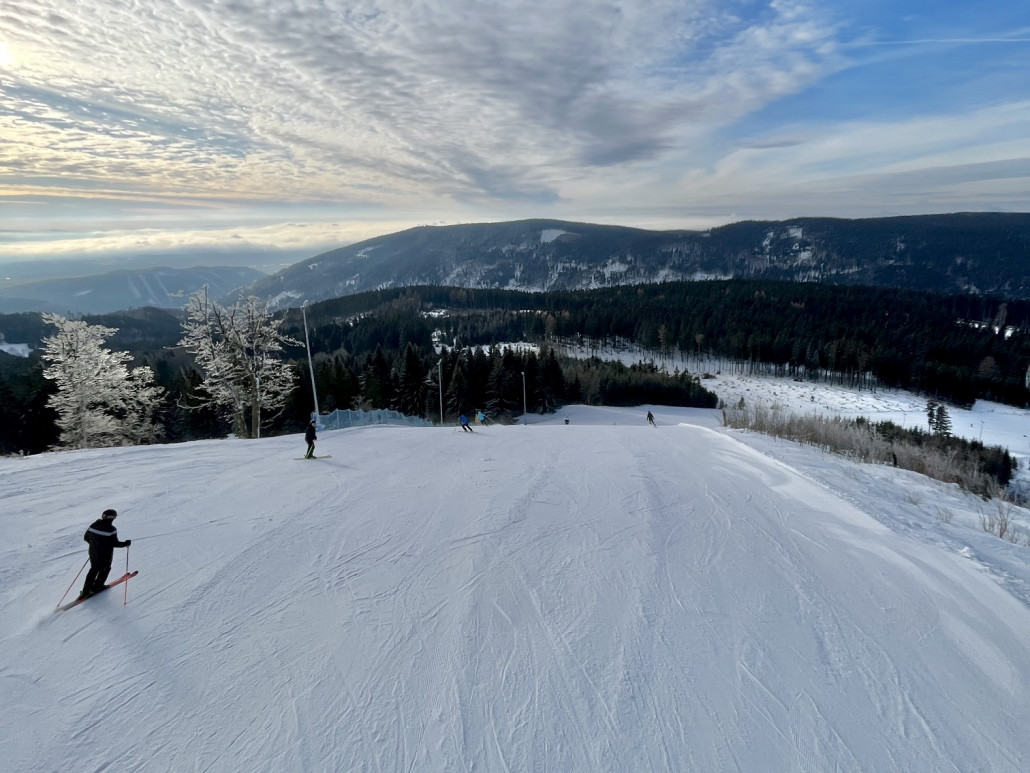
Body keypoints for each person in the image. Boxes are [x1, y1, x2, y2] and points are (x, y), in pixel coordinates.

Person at [79, 509, 130, 599]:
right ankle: (98, 586)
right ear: (113, 518)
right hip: (105, 553)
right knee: (105, 568)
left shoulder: (94, 525)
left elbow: (86, 537)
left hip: (93, 551)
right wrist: (125, 544)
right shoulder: (111, 529)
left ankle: (86, 591)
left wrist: (95, 544)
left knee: (94, 569)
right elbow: (114, 543)